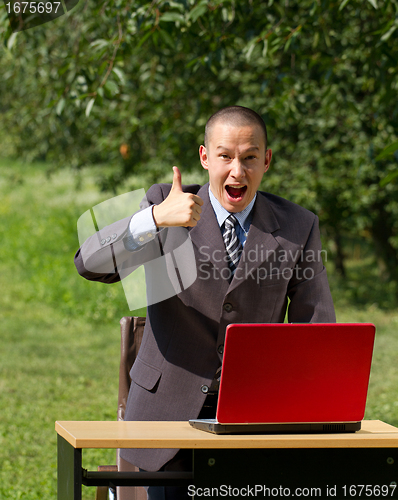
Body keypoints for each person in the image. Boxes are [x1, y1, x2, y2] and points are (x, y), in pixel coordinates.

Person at [74, 106, 336, 499]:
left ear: (266, 160)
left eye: (249, 158)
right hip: (165, 418)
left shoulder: (299, 225)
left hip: (254, 420)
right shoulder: (166, 204)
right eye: (225, 156)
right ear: (205, 157)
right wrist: (154, 220)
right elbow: (89, 263)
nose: (237, 170)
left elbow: (315, 331)